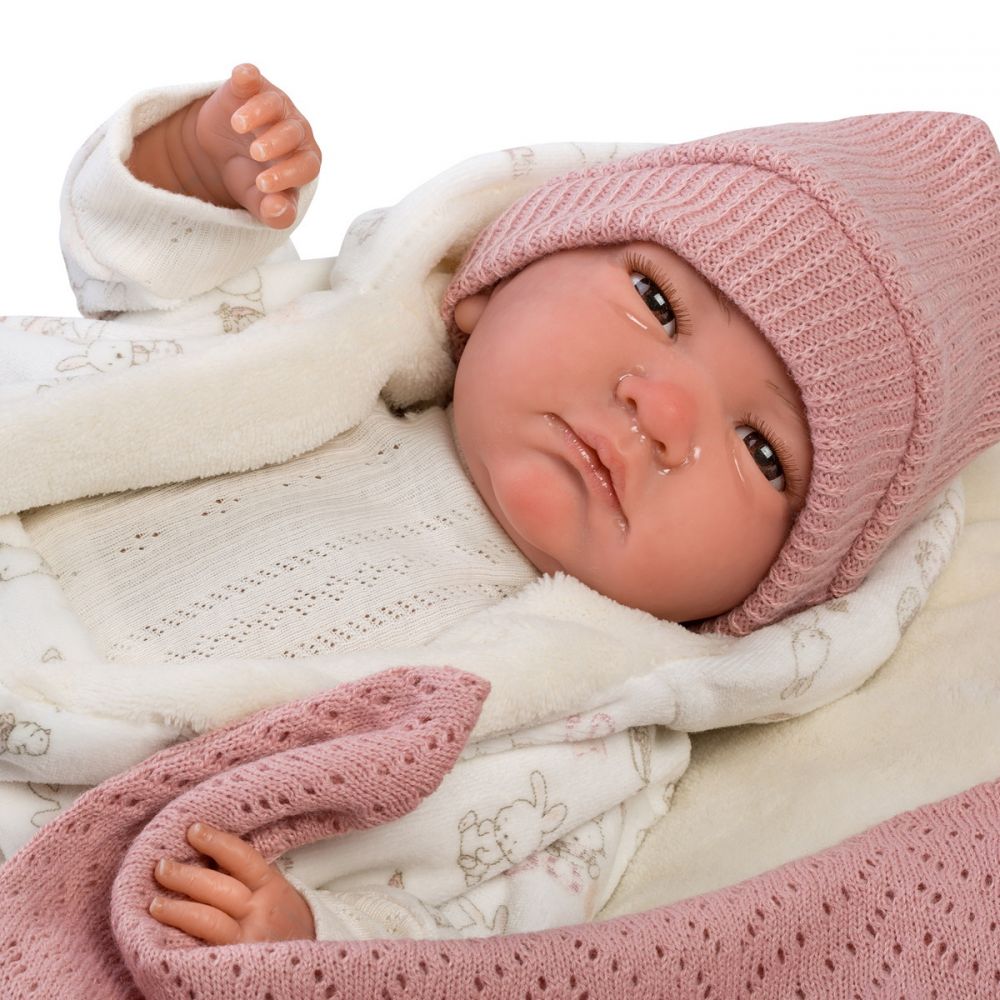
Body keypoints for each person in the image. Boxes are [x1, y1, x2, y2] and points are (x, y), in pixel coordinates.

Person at [9, 63, 998, 944]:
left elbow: (485, 934)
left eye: (761, 449)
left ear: (765, 594)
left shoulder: (589, 734)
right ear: (494, 279)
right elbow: (136, 284)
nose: (662, 412)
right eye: (657, 304)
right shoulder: (310, 344)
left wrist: (311, 933)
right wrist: (189, 164)